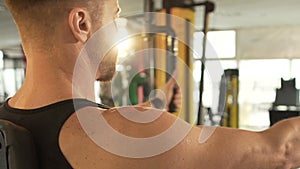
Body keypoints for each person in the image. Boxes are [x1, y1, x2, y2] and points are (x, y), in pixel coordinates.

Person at [0, 0, 299, 169]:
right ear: (82, 25)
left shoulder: (7, 123)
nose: (117, 29)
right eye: (114, 18)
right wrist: (151, 120)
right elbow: (282, 150)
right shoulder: (125, 135)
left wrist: (157, 104)